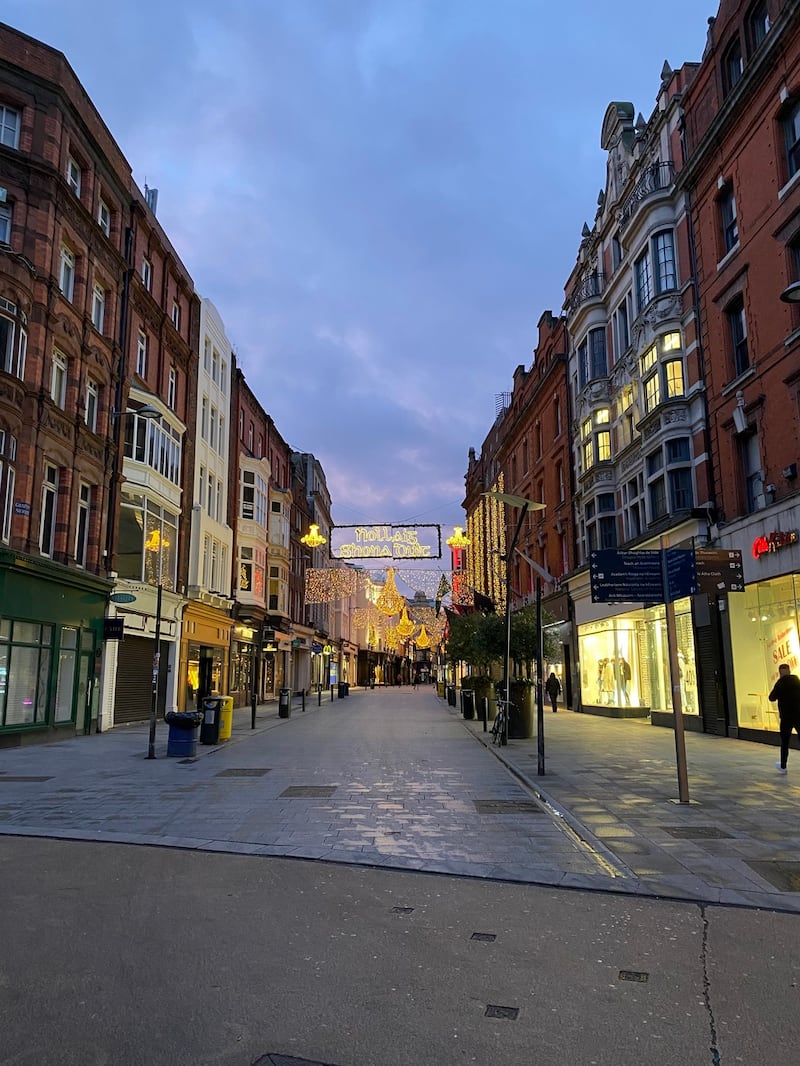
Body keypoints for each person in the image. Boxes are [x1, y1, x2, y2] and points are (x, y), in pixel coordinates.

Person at [768, 663, 800, 774]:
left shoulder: (780, 683)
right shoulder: (797, 681)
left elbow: (771, 698)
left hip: (786, 717)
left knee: (785, 742)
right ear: (789, 670)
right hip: (798, 714)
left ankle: (783, 766)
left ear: (780, 672)